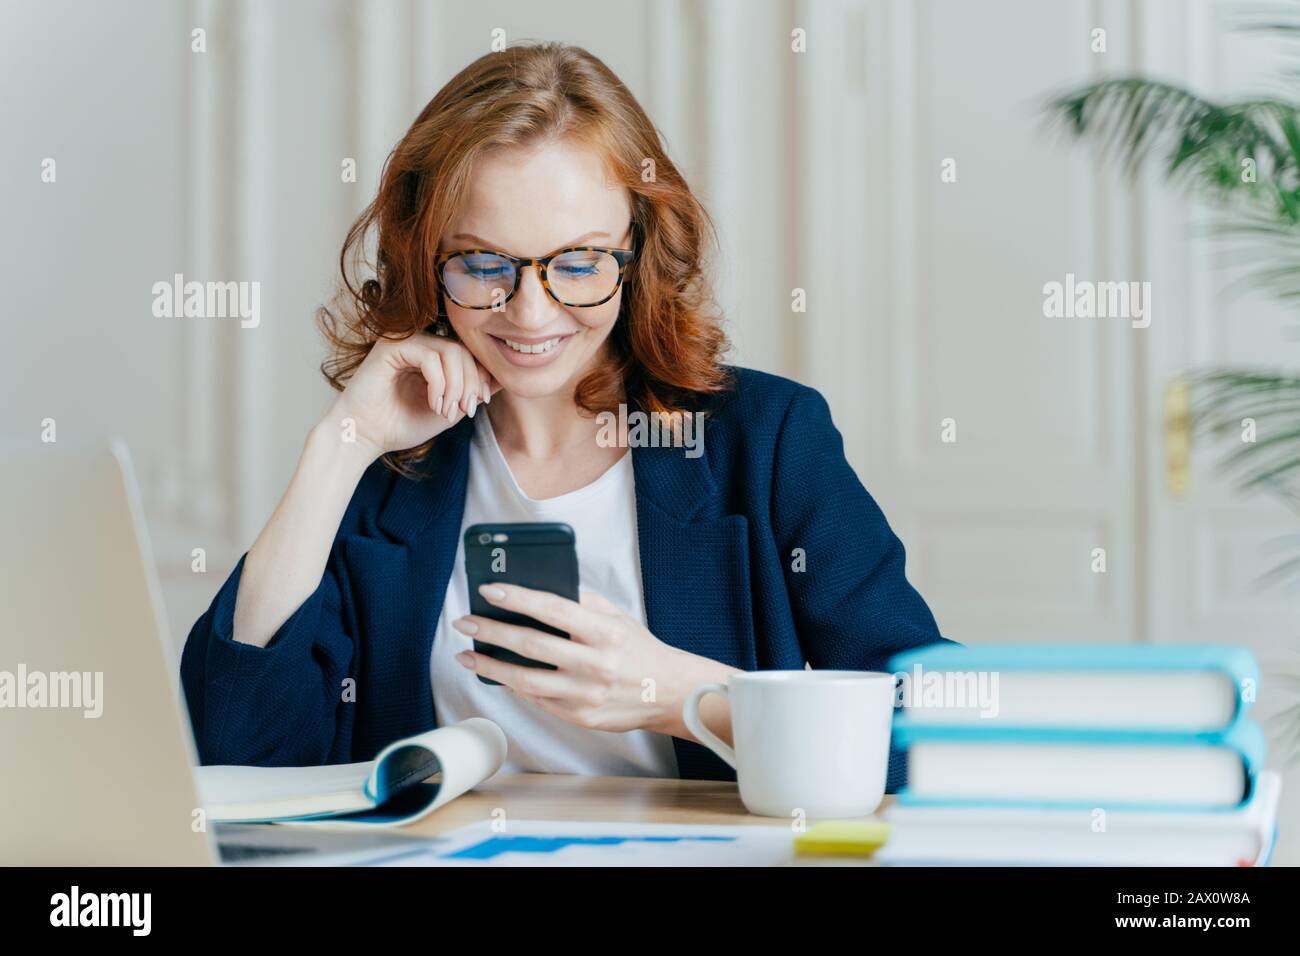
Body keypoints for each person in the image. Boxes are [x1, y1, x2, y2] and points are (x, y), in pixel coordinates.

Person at [180, 41, 953, 786]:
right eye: (483, 263)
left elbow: (930, 733)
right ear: (427, 257)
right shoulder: (393, 468)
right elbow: (240, 752)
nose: (529, 312)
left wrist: (685, 696)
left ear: (638, 252)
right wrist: (339, 445)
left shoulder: (769, 439)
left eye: (579, 263)